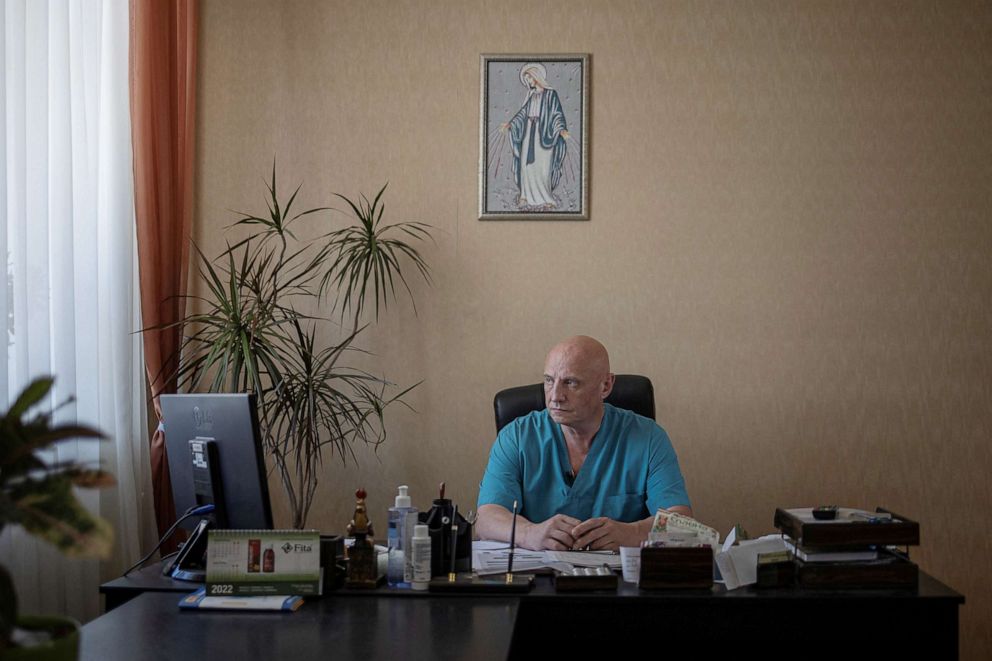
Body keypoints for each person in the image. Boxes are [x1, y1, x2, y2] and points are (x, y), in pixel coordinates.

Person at [476, 336, 692, 551]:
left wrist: (631, 532)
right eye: (549, 381)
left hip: (621, 580)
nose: (555, 396)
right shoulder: (516, 437)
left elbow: (680, 522)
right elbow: (486, 519)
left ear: (606, 385)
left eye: (571, 383)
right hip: (537, 578)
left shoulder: (648, 438)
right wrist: (528, 533)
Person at [500, 62, 569, 210]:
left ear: (536, 77)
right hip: (529, 133)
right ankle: (525, 196)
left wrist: (561, 128)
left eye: (529, 78)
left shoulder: (551, 94)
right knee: (526, 165)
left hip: (544, 134)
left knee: (543, 167)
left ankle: (546, 198)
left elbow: (557, 114)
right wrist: (511, 124)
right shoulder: (531, 95)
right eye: (526, 79)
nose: (528, 82)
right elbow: (523, 113)